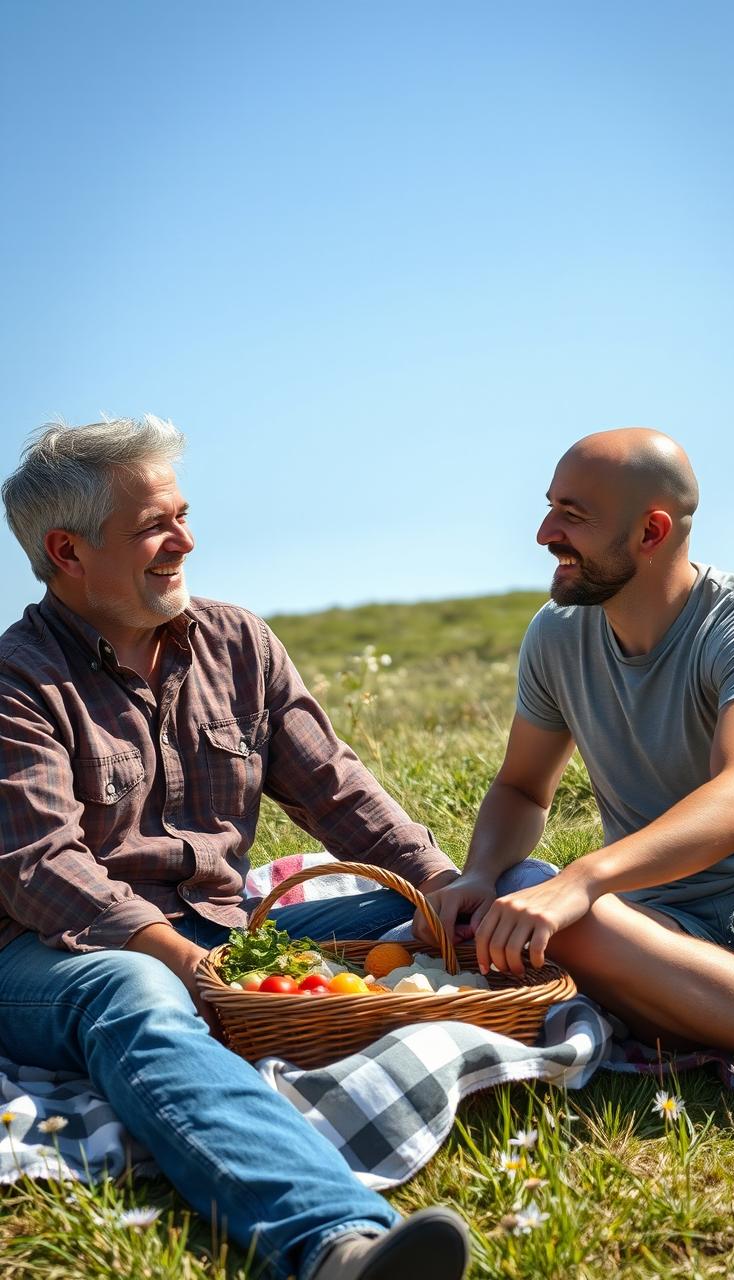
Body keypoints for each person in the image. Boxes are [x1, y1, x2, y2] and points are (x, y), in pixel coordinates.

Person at [0, 417, 470, 1280]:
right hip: (56, 958)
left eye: (182, 515)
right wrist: (182, 961)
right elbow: (40, 870)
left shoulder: (238, 643)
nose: (186, 541)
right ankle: (337, 1245)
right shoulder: (18, 681)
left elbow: (338, 791)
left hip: (225, 929)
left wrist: (442, 883)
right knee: (135, 989)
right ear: (67, 551)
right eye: (155, 526)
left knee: (508, 889)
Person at [414, 426, 734, 1182]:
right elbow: (521, 788)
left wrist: (583, 877)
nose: (545, 533)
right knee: (540, 906)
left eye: (571, 516)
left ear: (651, 532)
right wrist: (478, 873)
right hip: (658, 937)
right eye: (550, 508)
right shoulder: (556, 636)